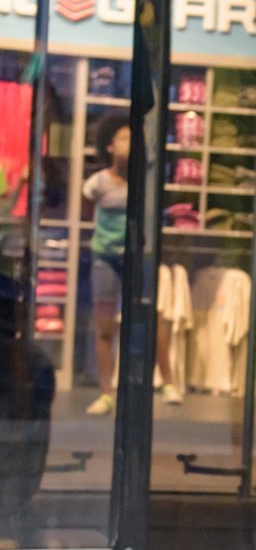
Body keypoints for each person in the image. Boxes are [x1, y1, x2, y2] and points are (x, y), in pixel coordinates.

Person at [84, 114, 181, 415]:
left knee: (153, 318)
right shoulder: (96, 183)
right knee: (104, 327)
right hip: (105, 258)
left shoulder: (147, 180)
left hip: (139, 258)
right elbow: (88, 210)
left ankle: (168, 382)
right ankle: (106, 394)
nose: (128, 145)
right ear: (110, 146)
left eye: (132, 139)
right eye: (122, 139)